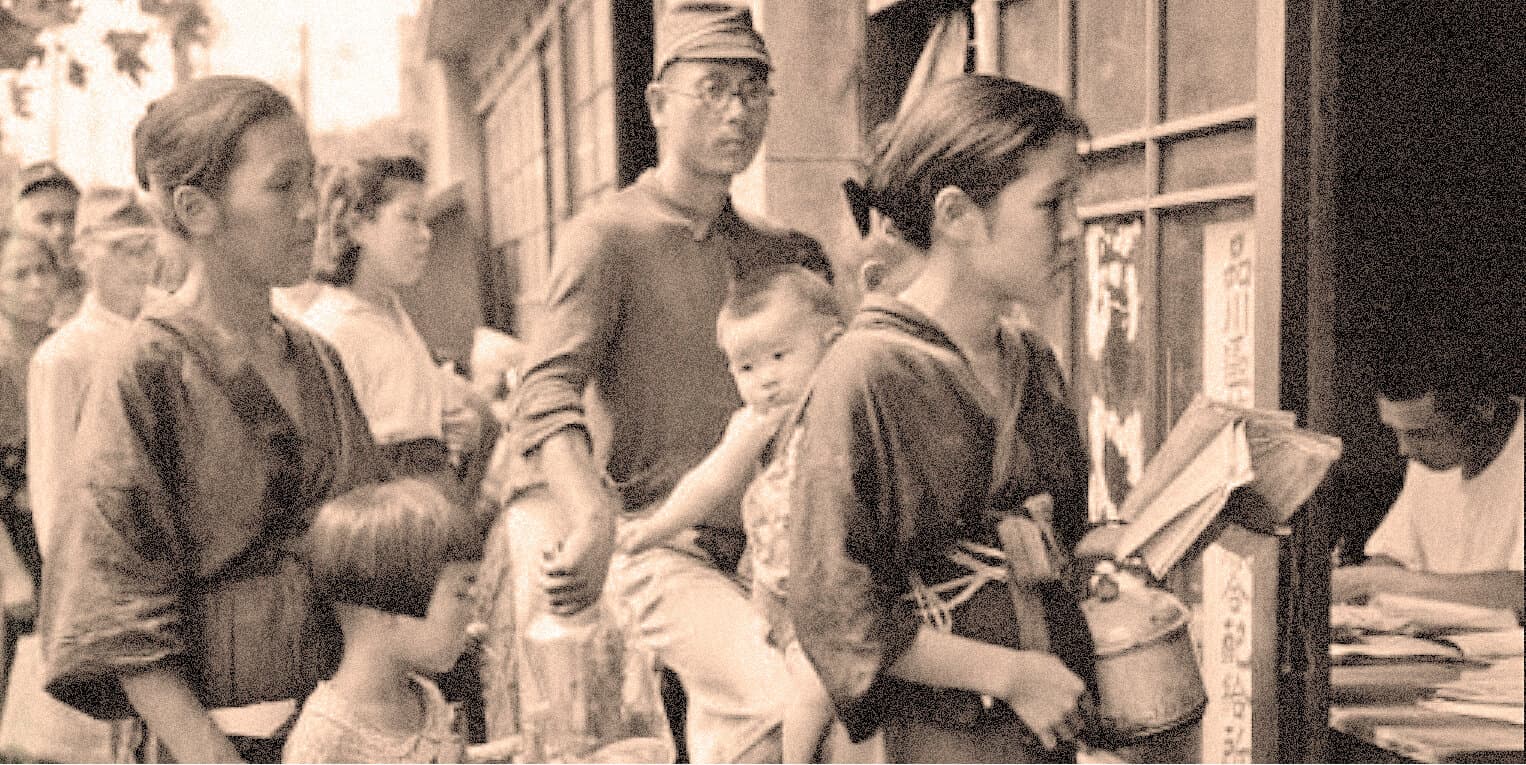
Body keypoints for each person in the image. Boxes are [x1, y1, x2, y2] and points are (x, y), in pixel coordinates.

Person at [504, 3, 830, 760]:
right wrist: (589, 513)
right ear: (657, 104)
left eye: (754, 91)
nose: (737, 110)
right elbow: (543, 393)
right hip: (664, 544)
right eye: (712, 88)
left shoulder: (785, 256)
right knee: (779, 701)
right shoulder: (608, 237)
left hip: (779, 549)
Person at [37, 75, 387, 763]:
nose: (311, 210)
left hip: (340, 733)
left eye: (311, 182)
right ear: (198, 209)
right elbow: (116, 604)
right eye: (282, 186)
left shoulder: (318, 359)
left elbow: (374, 550)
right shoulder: (143, 370)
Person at [788, 75, 1094, 763]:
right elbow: (837, 609)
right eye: (1052, 203)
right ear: (956, 215)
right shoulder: (864, 374)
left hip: (1038, 731)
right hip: (928, 739)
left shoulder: (1032, 359)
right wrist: (1009, 674)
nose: (1074, 228)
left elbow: (1064, 534)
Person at [617, 264, 842, 762]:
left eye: (780, 356)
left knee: (819, 692)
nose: (766, 379)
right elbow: (710, 480)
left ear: (831, 343)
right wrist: (654, 529)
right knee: (799, 689)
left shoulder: (840, 409)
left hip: (828, 582)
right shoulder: (755, 425)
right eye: (746, 368)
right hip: (776, 587)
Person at [301, 156, 495, 500]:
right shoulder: (332, 331)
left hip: (432, 506)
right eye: (410, 218)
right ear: (358, 226)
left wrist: (461, 429)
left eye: (425, 220)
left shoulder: (391, 313)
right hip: (390, 521)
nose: (425, 235)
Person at [283, 478, 514, 764]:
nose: (472, 613)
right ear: (388, 608)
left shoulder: (424, 698)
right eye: (461, 594)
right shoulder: (324, 741)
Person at [1332, 354, 1523, 615]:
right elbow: (1392, 559)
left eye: (1420, 434)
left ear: (1484, 408)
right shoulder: (1433, 459)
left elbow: (1519, 593)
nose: (1404, 449)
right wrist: (1357, 586)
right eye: (1396, 432)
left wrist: (1378, 581)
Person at [27, 187, 159, 559]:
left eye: (146, 246)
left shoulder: (173, 332)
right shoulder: (62, 357)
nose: (137, 262)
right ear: (82, 256)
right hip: (106, 555)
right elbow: (53, 488)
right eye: (119, 249)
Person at [0, 232, 58, 696]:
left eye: (45, 270)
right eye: (21, 274)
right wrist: (10, 573)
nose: (37, 284)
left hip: (56, 541)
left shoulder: (64, 352)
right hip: (10, 546)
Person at [9, 162, 83, 325]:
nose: (60, 232)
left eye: (70, 218)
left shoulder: (103, 295)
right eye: (45, 219)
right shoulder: (7, 298)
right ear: (18, 227)